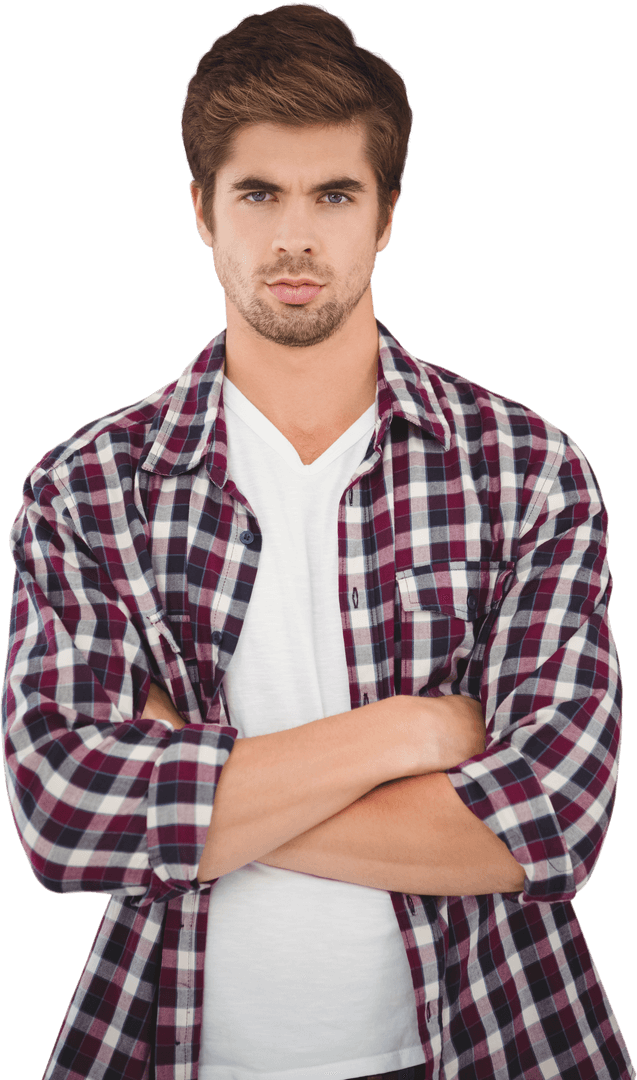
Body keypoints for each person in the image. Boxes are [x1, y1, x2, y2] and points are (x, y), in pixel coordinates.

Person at [1, 3, 634, 1079]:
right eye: (258, 193)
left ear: (385, 216)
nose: (294, 237)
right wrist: (408, 733)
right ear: (202, 210)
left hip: (493, 1032)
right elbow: (63, 815)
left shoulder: (525, 469)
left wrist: (181, 796)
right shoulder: (88, 489)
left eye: (334, 194)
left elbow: (552, 824)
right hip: (173, 1046)